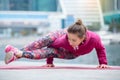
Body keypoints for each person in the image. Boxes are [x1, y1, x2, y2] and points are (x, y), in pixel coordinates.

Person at [4, 19, 108, 68]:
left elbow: (100, 49)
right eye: (69, 39)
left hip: (72, 53)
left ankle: (17, 53)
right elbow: (51, 46)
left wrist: (103, 63)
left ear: (83, 37)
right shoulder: (64, 39)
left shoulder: (95, 38)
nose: (70, 42)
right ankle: (17, 53)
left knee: (50, 52)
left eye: (73, 41)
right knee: (45, 41)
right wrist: (49, 62)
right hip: (60, 34)